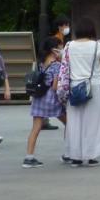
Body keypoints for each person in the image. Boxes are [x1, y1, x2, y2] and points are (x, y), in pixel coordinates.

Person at [62, 17, 100, 167]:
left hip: (75, 86)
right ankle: (91, 155)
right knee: (94, 122)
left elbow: (65, 66)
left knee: (74, 121)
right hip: (94, 85)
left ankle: (75, 156)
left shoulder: (68, 46)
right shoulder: (98, 46)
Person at [23, 37, 65, 167]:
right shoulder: (57, 65)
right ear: (54, 50)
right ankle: (69, 153)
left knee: (35, 128)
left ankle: (29, 157)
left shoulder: (42, 63)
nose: (62, 50)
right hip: (51, 99)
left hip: (39, 98)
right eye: (60, 47)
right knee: (70, 124)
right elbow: (54, 86)